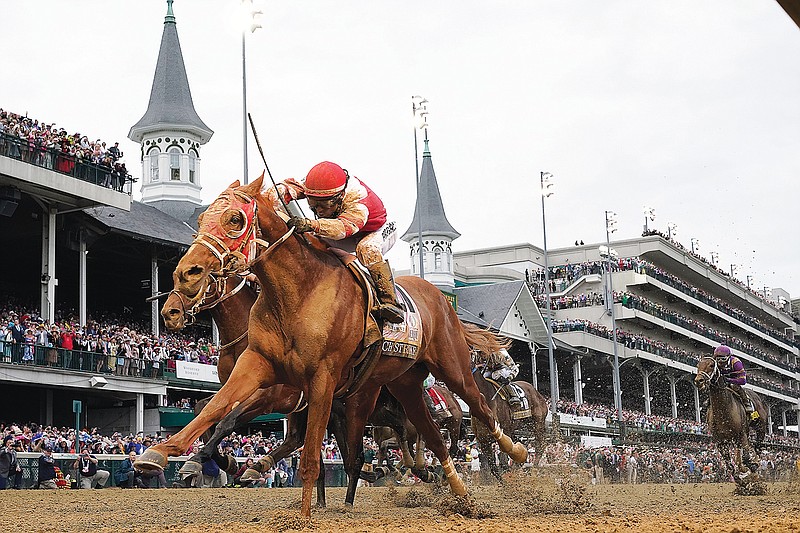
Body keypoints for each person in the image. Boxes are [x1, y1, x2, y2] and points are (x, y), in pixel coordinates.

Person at [268, 161, 404, 323]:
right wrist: (274, 195)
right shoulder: (316, 186)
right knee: (311, 239)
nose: (318, 211)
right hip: (344, 228)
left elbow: (342, 228)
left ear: (339, 197)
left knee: (367, 249)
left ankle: (390, 301)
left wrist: (311, 223)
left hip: (375, 229)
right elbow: (288, 187)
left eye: (323, 205)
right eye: (313, 205)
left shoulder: (359, 200)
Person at [713, 344, 758, 420]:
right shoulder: (714, 363)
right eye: (718, 359)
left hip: (735, 380)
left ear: (728, 357)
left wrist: (728, 380)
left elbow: (743, 381)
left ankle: (747, 403)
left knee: (734, 386)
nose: (720, 362)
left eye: (723, 359)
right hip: (722, 381)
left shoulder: (736, 363)